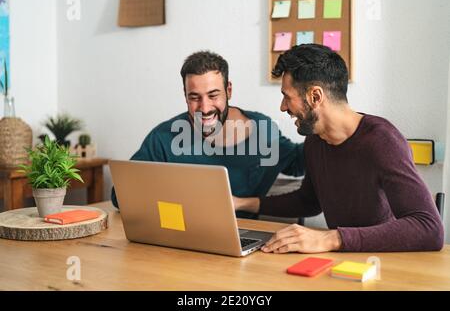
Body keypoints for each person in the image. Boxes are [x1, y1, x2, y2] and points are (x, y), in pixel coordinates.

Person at [233, 44, 444, 252]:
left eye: (287, 97)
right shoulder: (315, 141)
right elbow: (308, 202)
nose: (283, 106)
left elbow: (429, 228)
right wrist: (241, 203)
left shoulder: (382, 140)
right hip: (344, 261)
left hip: (384, 262)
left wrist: (331, 238)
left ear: (315, 96)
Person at [111, 51, 305, 218]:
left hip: (241, 241)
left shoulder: (263, 131)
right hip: (177, 239)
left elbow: (298, 164)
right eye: (194, 97)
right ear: (185, 95)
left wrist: (323, 123)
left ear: (228, 91)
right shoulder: (164, 137)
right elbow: (120, 196)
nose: (204, 108)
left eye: (213, 96)